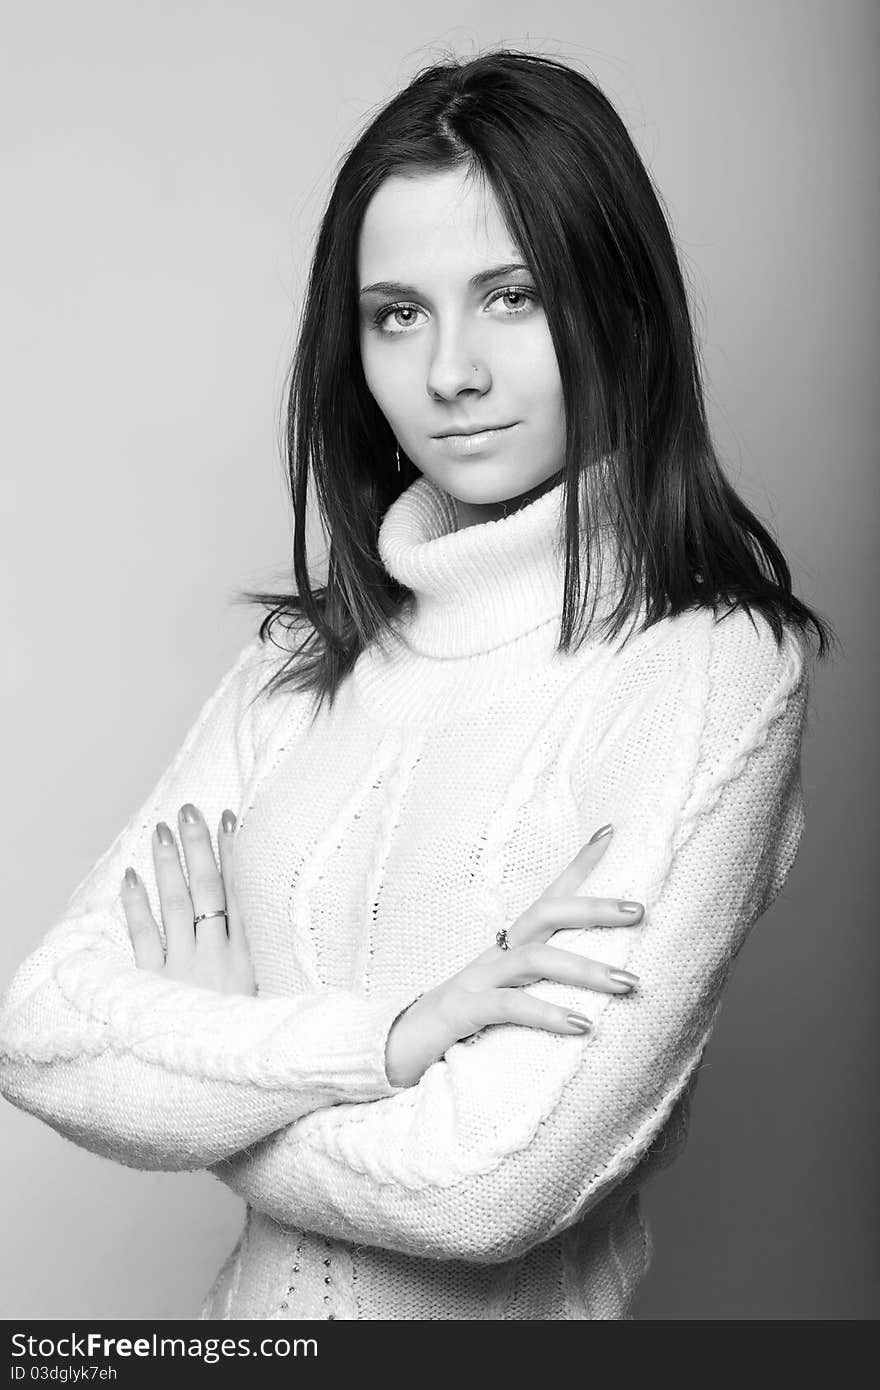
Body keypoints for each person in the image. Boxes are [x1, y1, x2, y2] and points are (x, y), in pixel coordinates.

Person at [0, 49, 832, 1321]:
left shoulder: (705, 668)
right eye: (397, 312)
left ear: (620, 306)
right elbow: (45, 1032)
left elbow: (492, 1183)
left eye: (511, 296)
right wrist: (387, 1043)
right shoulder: (303, 662)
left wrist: (214, 1068)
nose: (450, 370)